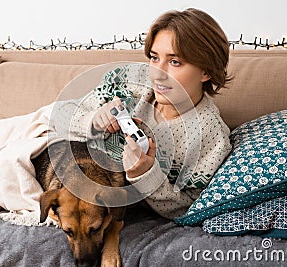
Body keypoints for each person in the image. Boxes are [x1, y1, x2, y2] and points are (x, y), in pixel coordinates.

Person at [56, 7, 233, 219]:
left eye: (175, 62)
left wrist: (146, 175)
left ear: (206, 71)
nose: (157, 74)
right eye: (154, 58)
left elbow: (188, 208)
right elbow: (58, 114)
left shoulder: (211, 139)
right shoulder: (130, 87)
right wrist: (92, 120)